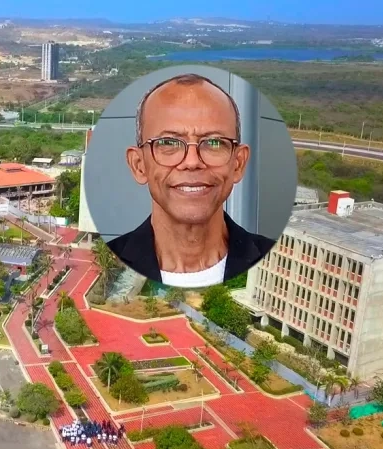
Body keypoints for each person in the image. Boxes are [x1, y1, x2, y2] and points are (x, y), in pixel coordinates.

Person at [108, 73, 276, 288]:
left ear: (238, 163)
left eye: (214, 143)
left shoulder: (273, 261)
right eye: (168, 142)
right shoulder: (108, 262)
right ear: (139, 165)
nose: (192, 162)